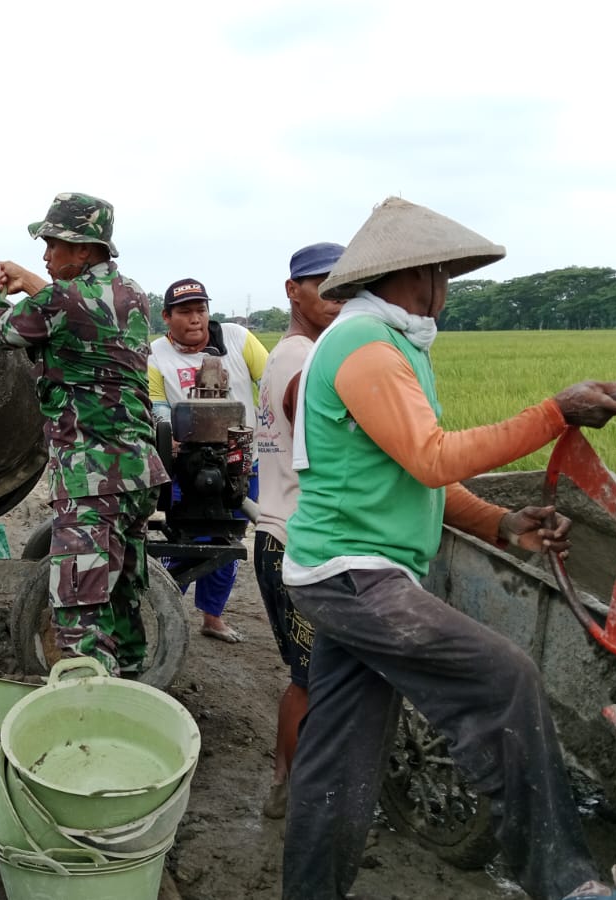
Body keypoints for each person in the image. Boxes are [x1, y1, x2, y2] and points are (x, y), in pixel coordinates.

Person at [281, 197, 616, 900]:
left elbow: (415, 481)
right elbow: (434, 458)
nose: (447, 289)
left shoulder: (388, 345)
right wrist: (554, 413)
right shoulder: (366, 349)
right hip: (354, 575)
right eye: (443, 275)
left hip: (347, 572)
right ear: (419, 275)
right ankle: (563, 880)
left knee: (339, 763)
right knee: (505, 678)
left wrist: (500, 525)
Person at [0, 192, 169, 677]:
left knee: (80, 612)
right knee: (122, 599)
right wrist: (30, 281)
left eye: (52, 246)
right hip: (137, 475)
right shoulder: (132, 294)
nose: (45, 256)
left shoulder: (62, 299)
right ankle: (131, 696)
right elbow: (67, 316)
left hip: (92, 478)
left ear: (84, 250)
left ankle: (88, 715)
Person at [250, 241, 345, 819]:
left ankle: (287, 786)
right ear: (293, 291)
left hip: (280, 533)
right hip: (295, 540)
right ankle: (298, 799)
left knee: (308, 677)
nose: (336, 299)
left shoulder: (294, 352)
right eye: (323, 286)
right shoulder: (302, 361)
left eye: (345, 288)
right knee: (312, 681)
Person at [148, 277, 268, 643]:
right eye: (185, 311)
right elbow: (157, 407)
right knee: (184, 540)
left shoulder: (237, 339)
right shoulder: (156, 355)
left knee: (228, 543)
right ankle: (163, 615)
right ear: (167, 317)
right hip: (187, 467)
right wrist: (171, 436)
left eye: (200, 309)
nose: (195, 318)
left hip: (242, 464)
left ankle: (212, 617)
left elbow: (273, 382)